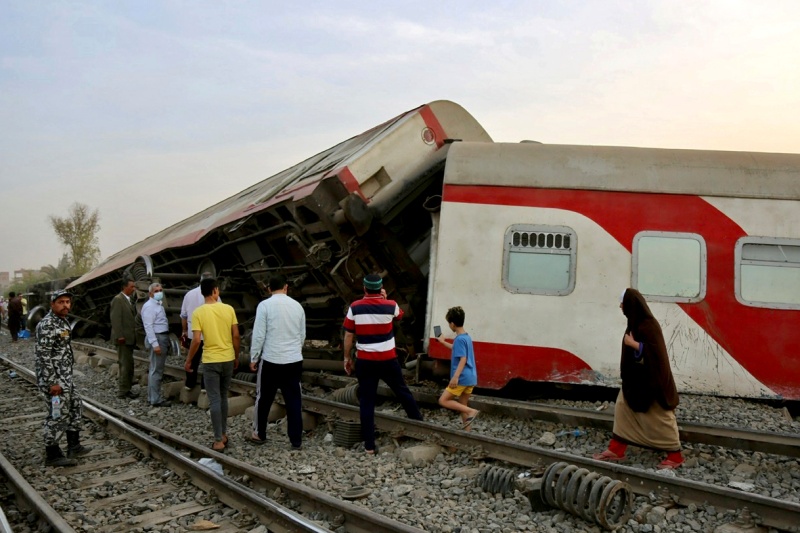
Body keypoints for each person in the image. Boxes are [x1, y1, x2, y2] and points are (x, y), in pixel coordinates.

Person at [593, 288, 684, 469]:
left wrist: (633, 344)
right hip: (635, 382)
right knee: (622, 409)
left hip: (653, 384)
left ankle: (675, 456)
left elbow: (655, 354)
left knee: (660, 418)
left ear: (631, 305)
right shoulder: (635, 323)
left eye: (622, 303)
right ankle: (616, 449)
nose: (620, 306)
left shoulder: (648, 325)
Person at [343, 274, 423, 455]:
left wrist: (347, 357)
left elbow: (348, 335)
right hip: (388, 360)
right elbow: (400, 316)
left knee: (367, 401)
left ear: (364, 288)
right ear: (380, 289)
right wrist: (385, 299)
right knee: (402, 391)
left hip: (365, 361)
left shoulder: (355, 308)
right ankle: (419, 425)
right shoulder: (391, 305)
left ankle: (369, 446)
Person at [248, 274, 306, 449]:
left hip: (271, 360)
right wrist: (295, 350)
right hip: (293, 360)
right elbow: (302, 334)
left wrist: (254, 357)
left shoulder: (264, 306)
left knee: (264, 398)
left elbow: (259, 335)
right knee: (294, 400)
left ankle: (259, 433)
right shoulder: (297, 307)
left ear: (268, 289)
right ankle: (296, 440)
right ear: (286, 287)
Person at [35, 290, 91, 466]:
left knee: (75, 405)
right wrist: (53, 382)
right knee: (57, 414)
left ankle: (74, 445)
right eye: (61, 302)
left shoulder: (62, 320)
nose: (66, 305)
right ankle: (52, 454)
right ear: (52, 304)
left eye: (68, 302)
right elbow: (43, 356)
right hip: (55, 379)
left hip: (65, 377)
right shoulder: (47, 325)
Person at [185, 278, 239, 452]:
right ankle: (223, 433)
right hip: (228, 358)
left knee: (214, 398)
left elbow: (196, 340)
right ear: (215, 290)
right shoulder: (229, 309)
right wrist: (236, 356)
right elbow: (236, 336)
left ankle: (218, 440)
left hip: (210, 360)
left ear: (202, 292)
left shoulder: (198, 313)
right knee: (223, 397)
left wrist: (188, 360)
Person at [434, 306, 479, 430]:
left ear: (452, 324)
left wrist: (455, 377)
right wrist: (443, 342)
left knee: (443, 400)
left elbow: (463, 359)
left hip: (462, 377)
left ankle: (472, 411)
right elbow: (456, 349)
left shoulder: (459, 340)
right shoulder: (466, 337)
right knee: (462, 405)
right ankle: (467, 433)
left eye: (449, 323)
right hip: (471, 377)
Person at [180, 272, 216, 390]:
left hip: (193, 333)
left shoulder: (189, 294)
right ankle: (205, 387)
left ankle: (189, 384)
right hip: (209, 333)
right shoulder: (215, 295)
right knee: (208, 361)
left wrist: (184, 330)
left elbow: (184, 315)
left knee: (193, 360)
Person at [141, 282, 172, 407]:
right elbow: (148, 327)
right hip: (158, 338)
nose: (159, 292)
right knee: (156, 371)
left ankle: (152, 397)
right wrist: (155, 344)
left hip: (160, 337)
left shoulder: (157, 305)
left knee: (154, 369)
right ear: (150, 293)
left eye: (160, 290)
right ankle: (156, 399)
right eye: (156, 291)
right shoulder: (150, 306)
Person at [110, 278, 139, 399]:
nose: (134, 289)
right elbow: (116, 319)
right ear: (124, 287)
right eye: (132, 287)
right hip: (123, 339)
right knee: (125, 364)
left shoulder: (128, 300)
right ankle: (122, 391)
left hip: (129, 338)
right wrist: (120, 335)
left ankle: (127, 389)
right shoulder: (118, 300)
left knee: (129, 364)